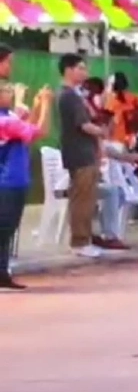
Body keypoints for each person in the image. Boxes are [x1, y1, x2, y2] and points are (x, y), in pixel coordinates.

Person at [0, 79, 51, 290]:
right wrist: (46, 104)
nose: (9, 93)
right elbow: (40, 131)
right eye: (5, 91)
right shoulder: (4, 122)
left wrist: (36, 106)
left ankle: (2, 272)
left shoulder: (7, 118)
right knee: (4, 229)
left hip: (13, 180)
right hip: (8, 182)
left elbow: (25, 128)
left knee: (6, 230)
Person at [56, 54, 106, 259]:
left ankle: (85, 239)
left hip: (85, 152)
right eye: (81, 68)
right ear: (69, 70)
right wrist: (101, 131)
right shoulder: (69, 96)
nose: (85, 73)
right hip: (80, 153)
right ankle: (79, 241)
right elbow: (83, 124)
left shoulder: (74, 94)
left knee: (87, 197)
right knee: (82, 199)